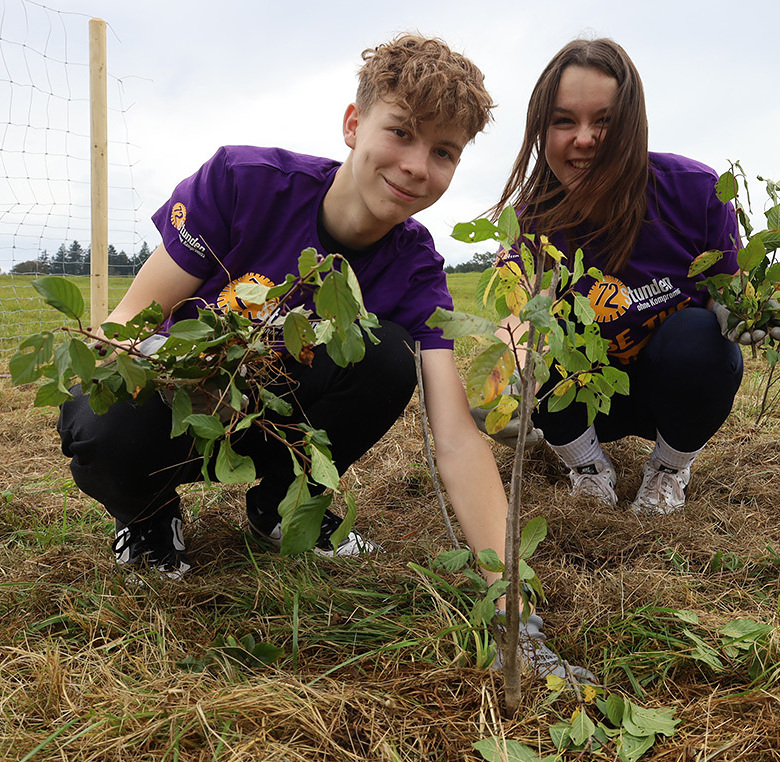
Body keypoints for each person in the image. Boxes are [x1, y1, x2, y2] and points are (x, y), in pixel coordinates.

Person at [56, 34, 593, 681]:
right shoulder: (243, 182)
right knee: (101, 419)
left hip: (275, 416)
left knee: (391, 355)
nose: (419, 164)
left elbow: (455, 436)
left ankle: (283, 507)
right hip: (178, 403)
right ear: (353, 124)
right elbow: (130, 322)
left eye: (444, 151)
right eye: (402, 132)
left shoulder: (415, 268)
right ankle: (147, 514)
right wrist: (180, 369)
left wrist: (512, 609)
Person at [489, 38, 749, 514]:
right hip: (588, 397)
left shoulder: (695, 193)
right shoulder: (533, 222)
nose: (584, 138)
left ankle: (668, 470)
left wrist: (751, 316)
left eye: (604, 121)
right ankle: (588, 468)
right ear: (542, 131)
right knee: (548, 338)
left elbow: (725, 300)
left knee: (700, 338)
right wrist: (506, 376)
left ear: (634, 126)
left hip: (666, 393)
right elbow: (524, 318)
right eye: (564, 120)